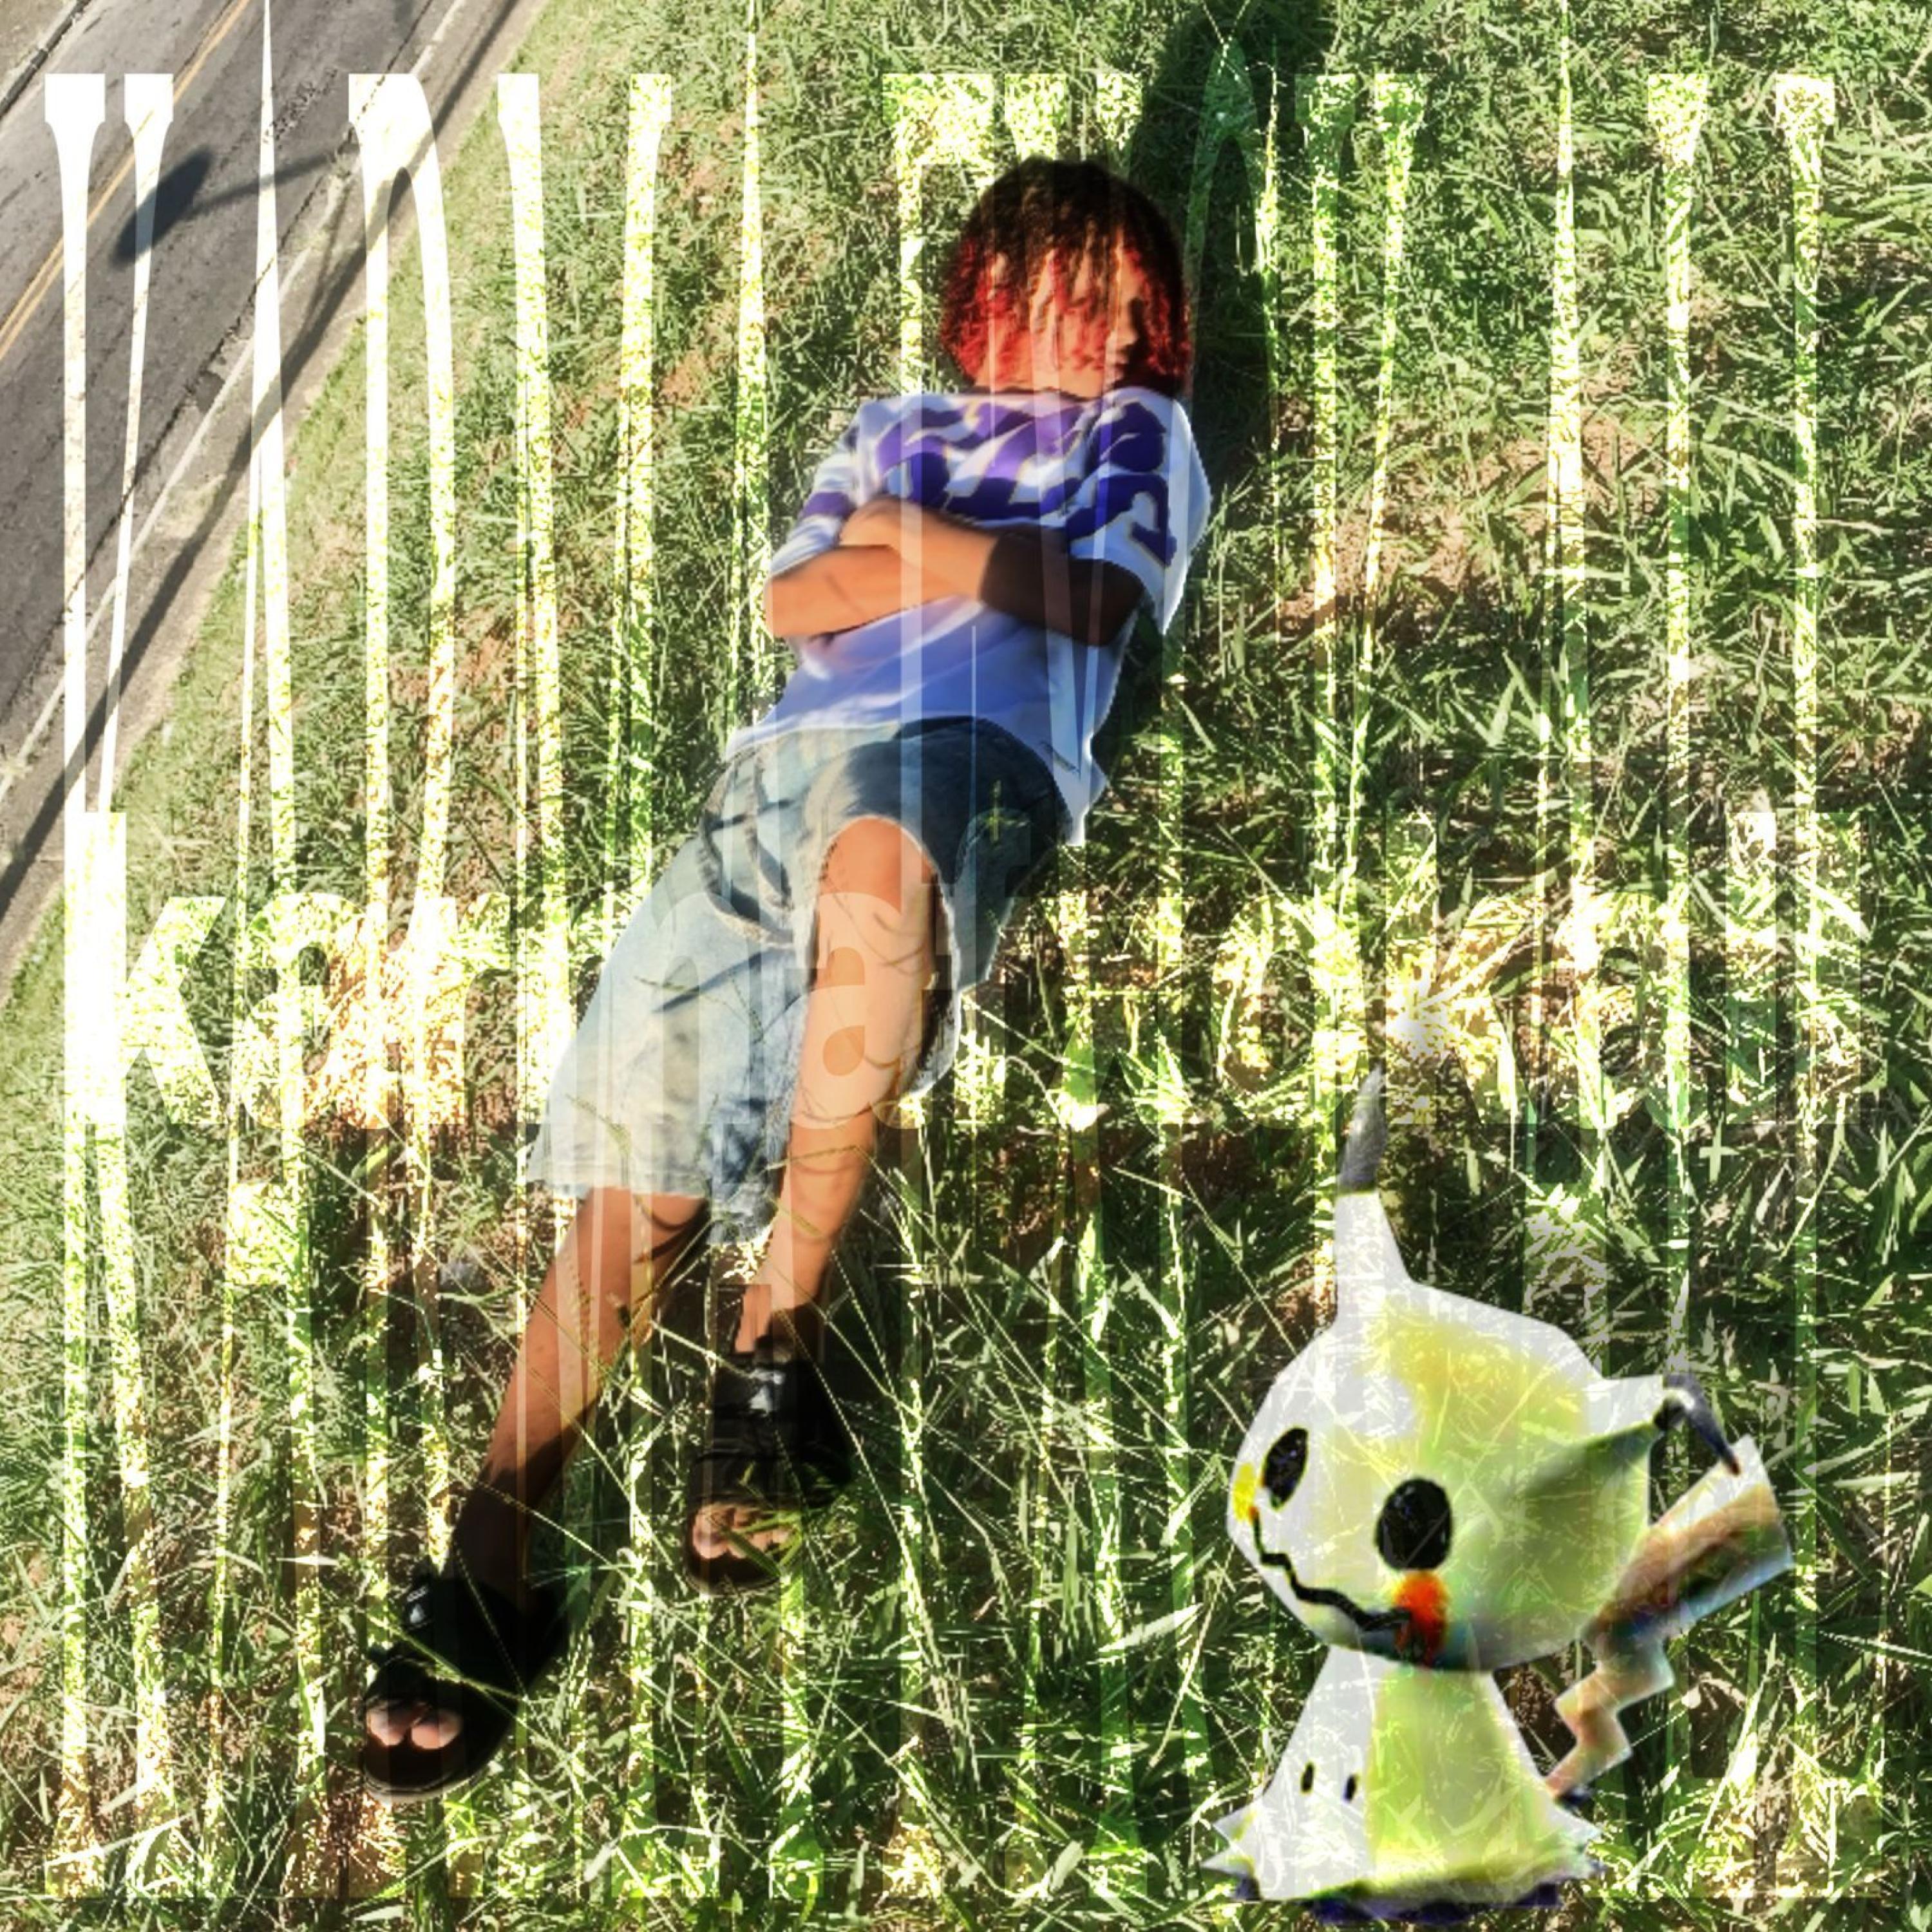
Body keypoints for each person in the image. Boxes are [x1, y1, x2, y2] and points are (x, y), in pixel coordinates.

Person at [359, 155, 1212, 1804]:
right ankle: (494, 1553)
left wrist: (915, 548)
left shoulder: (1135, 438)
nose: (1114, 333)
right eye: (1082, 297)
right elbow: (793, 598)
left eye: (1134, 306)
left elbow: (1098, 600)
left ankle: (774, 1351)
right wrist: (958, 551)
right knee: (645, 1168)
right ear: (995, 296)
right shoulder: (896, 427)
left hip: (972, 754)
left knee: (882, 874)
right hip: (769, 775)